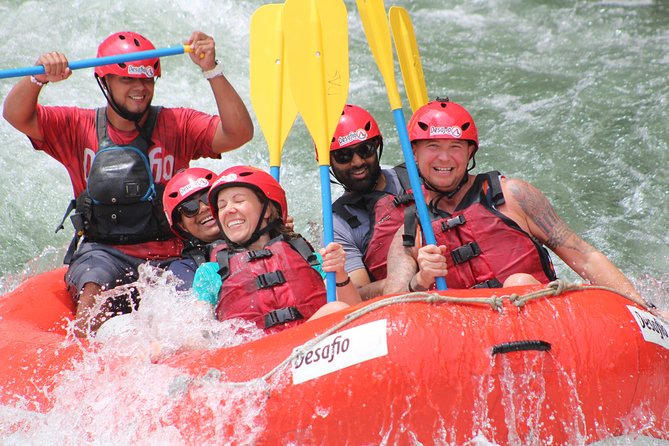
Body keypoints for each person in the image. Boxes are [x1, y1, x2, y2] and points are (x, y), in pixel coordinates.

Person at [2, 31, 254, 335]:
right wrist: (37, 78)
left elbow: (239, 132)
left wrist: (212, 69)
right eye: (127, 81)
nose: (140, 89)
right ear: (104, 82)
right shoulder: (75, 125)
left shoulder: (178, 123)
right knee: (93, 287)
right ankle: (87, 364)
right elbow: (16, 115)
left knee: (192, 311)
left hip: (174, 252)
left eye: (147, 80)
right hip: (105, 252)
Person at [383, 98, 648, 306]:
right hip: (469, 342)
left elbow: (586, 258)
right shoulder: (410, 232)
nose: (444, 158)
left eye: (455, 147)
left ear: (469, 153)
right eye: (432, 147)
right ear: (414, 154)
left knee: (517, 282)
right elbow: (392, 305)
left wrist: (644, 308)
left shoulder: (513, 196)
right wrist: (421, 280)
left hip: (541, 321)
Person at [193, 166, 360, 333]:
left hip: (310, 347)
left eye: (238, 200)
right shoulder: (210, 273)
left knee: (336, 309)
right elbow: (198, 334)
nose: (228, 210)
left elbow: (355, 313)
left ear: (266, 210)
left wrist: (339, 272)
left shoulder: (309, 257)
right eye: (222, 206)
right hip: (254, 353)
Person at [329, 105, 413, 300]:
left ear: (377, 147)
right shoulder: (338, 223)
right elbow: (357, 292)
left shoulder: (416, 177)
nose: (357, 162)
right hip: (400, 303)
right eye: (344, 156)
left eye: (365, 150)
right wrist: (401, 280)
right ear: (329, 162)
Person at [162, 167, 221, 290]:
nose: (204, 208)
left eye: (208, 197)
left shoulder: (261, 238)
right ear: (183, 226)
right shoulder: (182, 271)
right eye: (189, 207)